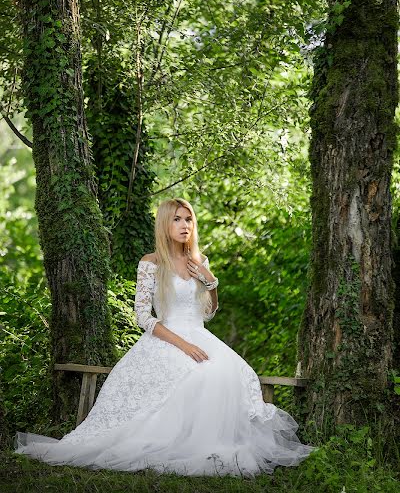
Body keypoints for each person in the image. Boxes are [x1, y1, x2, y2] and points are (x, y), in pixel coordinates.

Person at [14, 197, 315, 477]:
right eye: (177, 220)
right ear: (164, 225)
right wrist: (183, 345)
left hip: (200, 334)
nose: (185, 226)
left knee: (233, 373)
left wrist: (211, 282)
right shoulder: (151, 262)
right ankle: (170, 442)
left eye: (189, 220)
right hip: (167, 337)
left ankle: (210, 444)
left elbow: (208, 313)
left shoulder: (200, 261)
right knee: (195, 376)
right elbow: (143, 315)